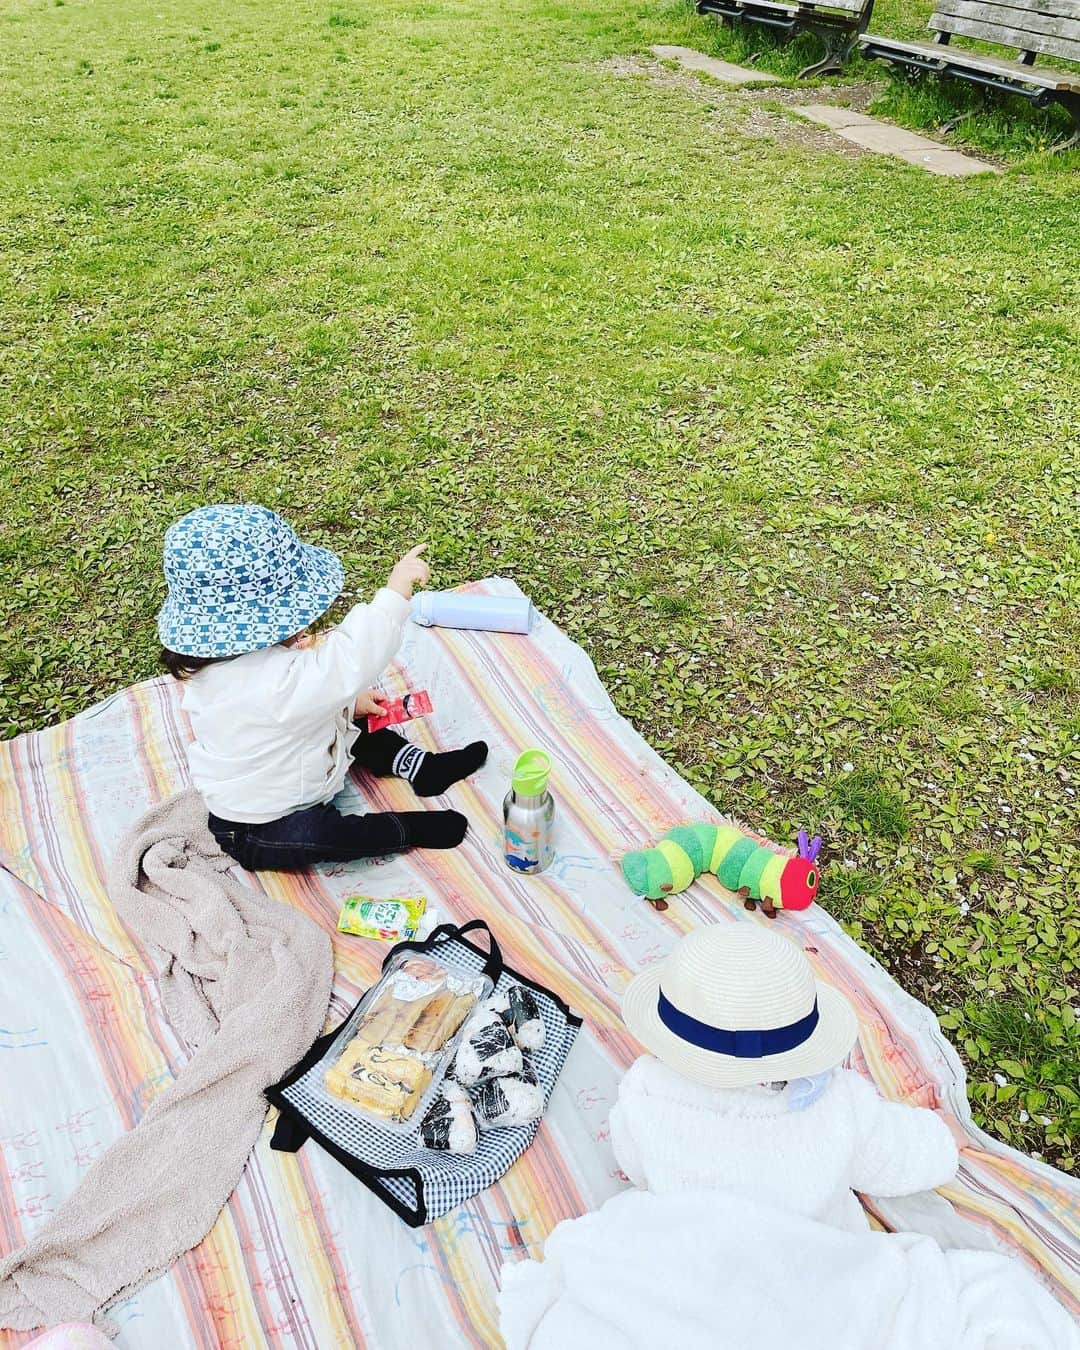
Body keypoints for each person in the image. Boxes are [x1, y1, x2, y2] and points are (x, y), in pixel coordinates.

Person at [499, 924, 1079, 1350]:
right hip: (819, 1281)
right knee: (973, 1294)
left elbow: (632, 1155)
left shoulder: (647, 1090)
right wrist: (940, 1136)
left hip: (687, 1267)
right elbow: (919, 1156)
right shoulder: (840, 1104)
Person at [156, 503, 487, 871]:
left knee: (352, 716)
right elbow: (350, 659)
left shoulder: (221, 667)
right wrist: (394, 594)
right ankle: (403, 828)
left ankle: (421, 768)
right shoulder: (273, 682)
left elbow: (306, 697)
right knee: (320, 835)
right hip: (256, 824)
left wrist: (349, 704)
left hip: (297, 759)